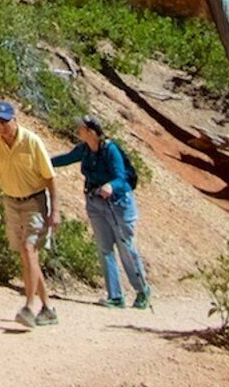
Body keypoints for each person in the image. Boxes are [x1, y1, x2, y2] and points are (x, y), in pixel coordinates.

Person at [51, 113, 154, 309]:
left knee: (125, 247)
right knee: (105, 248)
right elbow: (66, 158)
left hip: (118, 204)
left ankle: (142, 290)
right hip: (95, 202)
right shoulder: (84, 149)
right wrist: (44, 162)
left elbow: (121, 177)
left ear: (90, 132)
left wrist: (111, 186)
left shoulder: (110, 150)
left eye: (80, 128)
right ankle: (115, 296)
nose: (77, 130)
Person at [0, 100, 62, 326]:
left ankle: (28, 307)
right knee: (27, 256)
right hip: (10, 202)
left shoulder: (32, 142)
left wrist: (55, 211)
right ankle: (48, 308)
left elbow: (50, 178)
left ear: (15, 120)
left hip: (34, 202)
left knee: (28, 249)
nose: (1, 125)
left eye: (5, 121)